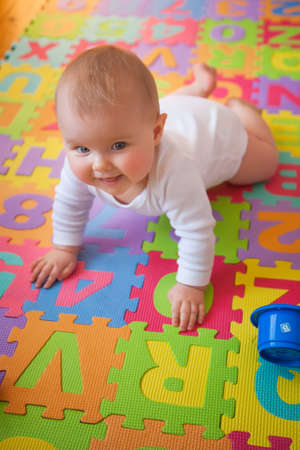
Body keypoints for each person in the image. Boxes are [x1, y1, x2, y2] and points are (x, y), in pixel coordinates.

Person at [30, 45, 278, 332]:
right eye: (82, 148)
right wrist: (64, 247)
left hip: (217, 131)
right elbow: (69, 202)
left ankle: (242, 110)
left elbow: (197, 231)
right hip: (177, 112)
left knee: (267, 164)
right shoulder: (92, 152)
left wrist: (191, 284)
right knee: (165, 106)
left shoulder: (176, 171)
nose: (100, 165)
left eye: (118, 146)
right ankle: (200, 87)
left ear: (156, 133)